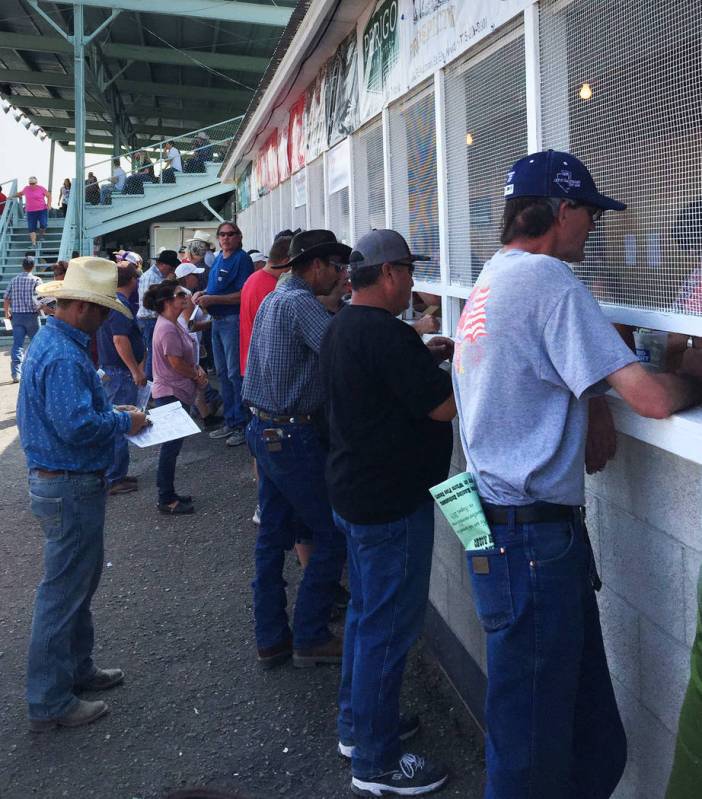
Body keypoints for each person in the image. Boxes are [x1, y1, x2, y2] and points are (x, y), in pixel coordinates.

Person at [452, 149, 702, 799]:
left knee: (594, 746)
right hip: (530, 546)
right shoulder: (547, 280)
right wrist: (694, 375)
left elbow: (539, 377)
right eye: (589, 212)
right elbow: (650, 398)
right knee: (531, 760)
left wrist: (589, 398)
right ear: (560, 210)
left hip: (506, 533)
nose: (594, 225)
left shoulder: (492, 279)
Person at [319, 229, 455, 797]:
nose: (414, 287)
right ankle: (376, 761)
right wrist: (467, 368)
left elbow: (381, 387)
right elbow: (443, 407)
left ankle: (358, 727)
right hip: (390, 504)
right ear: (392, 273)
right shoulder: (386, 334)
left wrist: (425, 356)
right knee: (388, 628)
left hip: (356, 495)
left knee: (367, 619)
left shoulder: (345, 326)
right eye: (411, 274)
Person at [16, 256, 148, 731]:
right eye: (100, 308)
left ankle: (75, 671)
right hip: (68, 483)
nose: (104, 317)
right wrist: (123, 420)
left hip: (62, 482)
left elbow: (73, 418)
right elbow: (77, 426)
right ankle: (51, 699)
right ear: (82, 309)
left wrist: (115, 414)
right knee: (64, 592)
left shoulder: (55, 344)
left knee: (74, 586)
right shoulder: (64, 354)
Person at [241, 229, 350, 669]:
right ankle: (310, 634)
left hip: (264, 429)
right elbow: (344, 350)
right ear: (317, 265)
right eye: (338, 268)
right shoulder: (301, 302)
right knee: (331, 533)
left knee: (271, 537)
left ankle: (271, 637)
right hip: (292, 436)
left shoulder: (274, 297)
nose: (342, 276)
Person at [144, 281, 207, 515]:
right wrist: (197, 375)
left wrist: (196, 372)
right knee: (170, 449)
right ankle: (166, 498)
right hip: (170, 393)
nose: (186, 297)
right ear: (168, 301)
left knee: (172, 448)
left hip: (176, 391)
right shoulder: (168, 327)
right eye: (181, 294)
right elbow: (176, 363)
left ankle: (168, 493)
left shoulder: (173, 323)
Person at [192, 222, 253, 448]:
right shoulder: (218, 258)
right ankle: (231, 420)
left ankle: (242, 424)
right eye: (222, 235)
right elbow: (216, 288)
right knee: (224, 373)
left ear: (239, 236)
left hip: (232, 320)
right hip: (217, 322)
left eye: (230, 234)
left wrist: (213, 299)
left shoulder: (241, 259)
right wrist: (203, 293)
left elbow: (242, 295)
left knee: (235, 374)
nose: (226, 238)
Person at [97, 263, 146, 496]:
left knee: (117, 422)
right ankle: (114, 477)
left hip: (113, 370)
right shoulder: (120, 305)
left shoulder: (112, 302)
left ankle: (116, 472)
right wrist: (135, 370)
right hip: (119, 372)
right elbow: (120, 340)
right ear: (132, 281)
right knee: (120, 424)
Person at [137, 250, 180, 381]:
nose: (173, 270)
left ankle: (151, 382)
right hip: (149, 319)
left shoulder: (158, 276)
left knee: (152, 353)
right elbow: (149, 303)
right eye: (171, 267)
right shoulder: (151, 277)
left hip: (150, 319)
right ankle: (150, 383)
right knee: (153, 353)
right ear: (163, 265)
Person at [3, 254, 42, 382]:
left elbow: (6, 298)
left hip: (17, 317)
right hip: (32, 316)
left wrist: (6, 313)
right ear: (33, 267)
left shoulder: (14, 280)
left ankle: (16, 374)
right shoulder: (36, 280)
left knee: (17, 345)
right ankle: (37, 371)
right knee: (37, 345)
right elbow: (41, 298)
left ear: (22, 266)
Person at [13, 177, 50, 248]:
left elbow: (49, 195)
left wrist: (49, 204)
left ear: (36, 183)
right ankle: (33, 244)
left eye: (33, 183)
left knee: (43, 224)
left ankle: (41, 236)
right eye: (30, 183)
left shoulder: (41, 188)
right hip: (30, 211)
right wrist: (10, 196)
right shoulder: (26, 188)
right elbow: (20, 193)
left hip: (42, 210)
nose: (31, 185)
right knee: (31, 228)